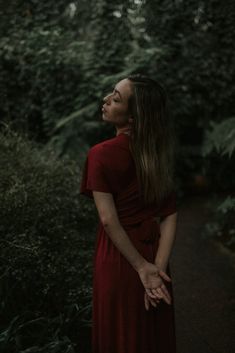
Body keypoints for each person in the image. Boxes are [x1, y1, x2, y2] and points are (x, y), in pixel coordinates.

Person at [80, 74, 178, 353]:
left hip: (119, 258)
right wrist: (156, 268)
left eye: (116, 97)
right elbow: (170, 214)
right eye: (111, 93)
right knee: (152, 336)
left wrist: (142, 269)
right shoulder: (157, 155)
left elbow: (108, 220)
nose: (106, 99)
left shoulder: (100, 154)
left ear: (133, 118)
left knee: (119, 336)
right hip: (152, 255)